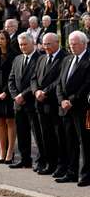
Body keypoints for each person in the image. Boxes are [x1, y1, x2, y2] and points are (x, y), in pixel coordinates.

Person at [55, 31, 90, 186]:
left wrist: (71, 100)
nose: (72, 46)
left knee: (84, 142)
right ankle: (71, 172)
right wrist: (62, 100)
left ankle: (85, 174)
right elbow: (59, 83)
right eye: (70, 44)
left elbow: (87, 85)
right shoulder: (67, 59)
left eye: (75, 44)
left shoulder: (88, 61)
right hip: (65, 108)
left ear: (84, 44)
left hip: (81, 108)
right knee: (69, 141)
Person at [30, 33, 67, 176]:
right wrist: (36, 91)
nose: (46, 47)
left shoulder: (64, 58)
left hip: (53, 103)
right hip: (40, 103)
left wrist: (44, 92)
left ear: (57, 43)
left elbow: (59, 80)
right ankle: (49, 163)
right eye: (44, 44)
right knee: (45, 136)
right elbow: (33, 78)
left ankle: (60, 164)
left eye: (49, 44)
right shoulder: (41, 58)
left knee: (58, 137)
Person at [8, 32, 43, 169]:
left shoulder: (40, 58)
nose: (22, 47)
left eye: (25, 44)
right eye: (20, 44)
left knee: (37, 134)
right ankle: (25, 159)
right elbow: (11, 79)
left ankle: (41, 161)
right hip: (18, 103)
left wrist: (23, 95)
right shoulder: (17, 59)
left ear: (32, 43)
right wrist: (15, 95)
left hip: (32, 103)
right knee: (22, 134)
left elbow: (37, 81)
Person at [0, 30, 18, 164]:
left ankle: (10, 151)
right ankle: (2, 150)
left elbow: (14, 76)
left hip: (8, 93)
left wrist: (6, 92)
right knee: (0, 122)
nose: (0, 41)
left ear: (7, 40)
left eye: (2, 39)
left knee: (10, 122)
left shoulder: (13, 55)